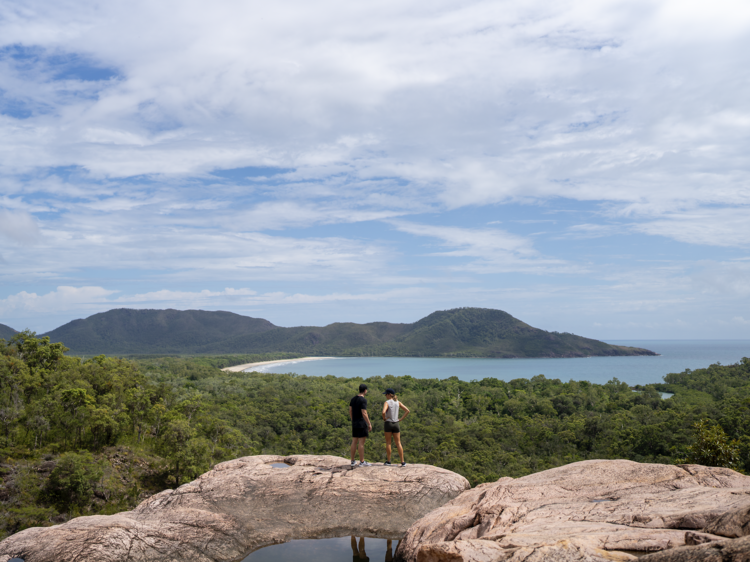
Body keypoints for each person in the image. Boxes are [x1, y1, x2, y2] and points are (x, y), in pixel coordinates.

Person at [382, 388, 410, 467]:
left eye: (386, 394)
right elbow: (407, 410)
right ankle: (403, 462)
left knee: (388, 443)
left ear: (389, 394)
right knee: (398, 443)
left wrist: (384, 418)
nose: (385, 395)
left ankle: (388, 461)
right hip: (396, 424)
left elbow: (383, 412)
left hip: (388, 424)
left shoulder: (387, 402)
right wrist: (401, 419)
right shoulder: (398, 402)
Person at [349, 383, 372, 467]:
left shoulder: (353, 399)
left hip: (354, 423)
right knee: (361, 443)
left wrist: (353, 420)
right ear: (365, 390)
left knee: (354, 442)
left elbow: (350, 411)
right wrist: (369, 423)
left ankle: (352, 461)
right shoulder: (363, 400)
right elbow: (364, 413)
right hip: (362, 423)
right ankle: (362, 462)